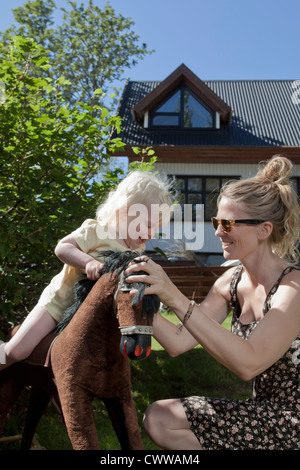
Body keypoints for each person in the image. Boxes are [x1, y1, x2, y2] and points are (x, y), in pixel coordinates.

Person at [125, 155, 300, 450]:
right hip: (264, 416)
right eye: (217, 221)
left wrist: (173, 296)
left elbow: (249, 363)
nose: (218, 231)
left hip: (292, 422)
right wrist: (129, 295)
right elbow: (179, 342)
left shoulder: (293, 287)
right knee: (158, 418)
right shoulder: (229, 282)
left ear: (264, 230)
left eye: (228, 223)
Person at [0, 170, 173, 370]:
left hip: (90, 317)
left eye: (156, 229)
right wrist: (88, 262)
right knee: (17, 351)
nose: (150, 234)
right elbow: (63, 247)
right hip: (58, 305)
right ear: (125, 211)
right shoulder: (98, 230)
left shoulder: (135, 251)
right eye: (147, 225)